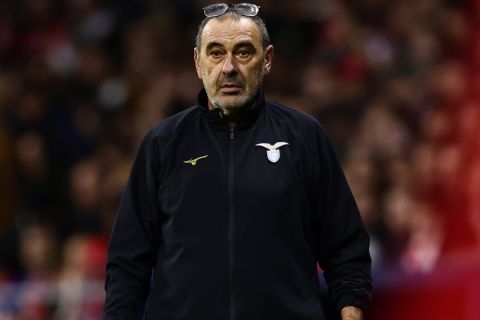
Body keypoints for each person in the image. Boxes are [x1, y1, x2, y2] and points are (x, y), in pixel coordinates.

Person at [103, 3, 372, 320]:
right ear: (197, 62)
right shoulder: (163, 144)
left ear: (267, 60)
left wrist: (351, 312)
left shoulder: (304, 137)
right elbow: (127, 261)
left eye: (243, 52)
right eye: (215, 53)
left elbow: (346, 249)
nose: (229, 67)